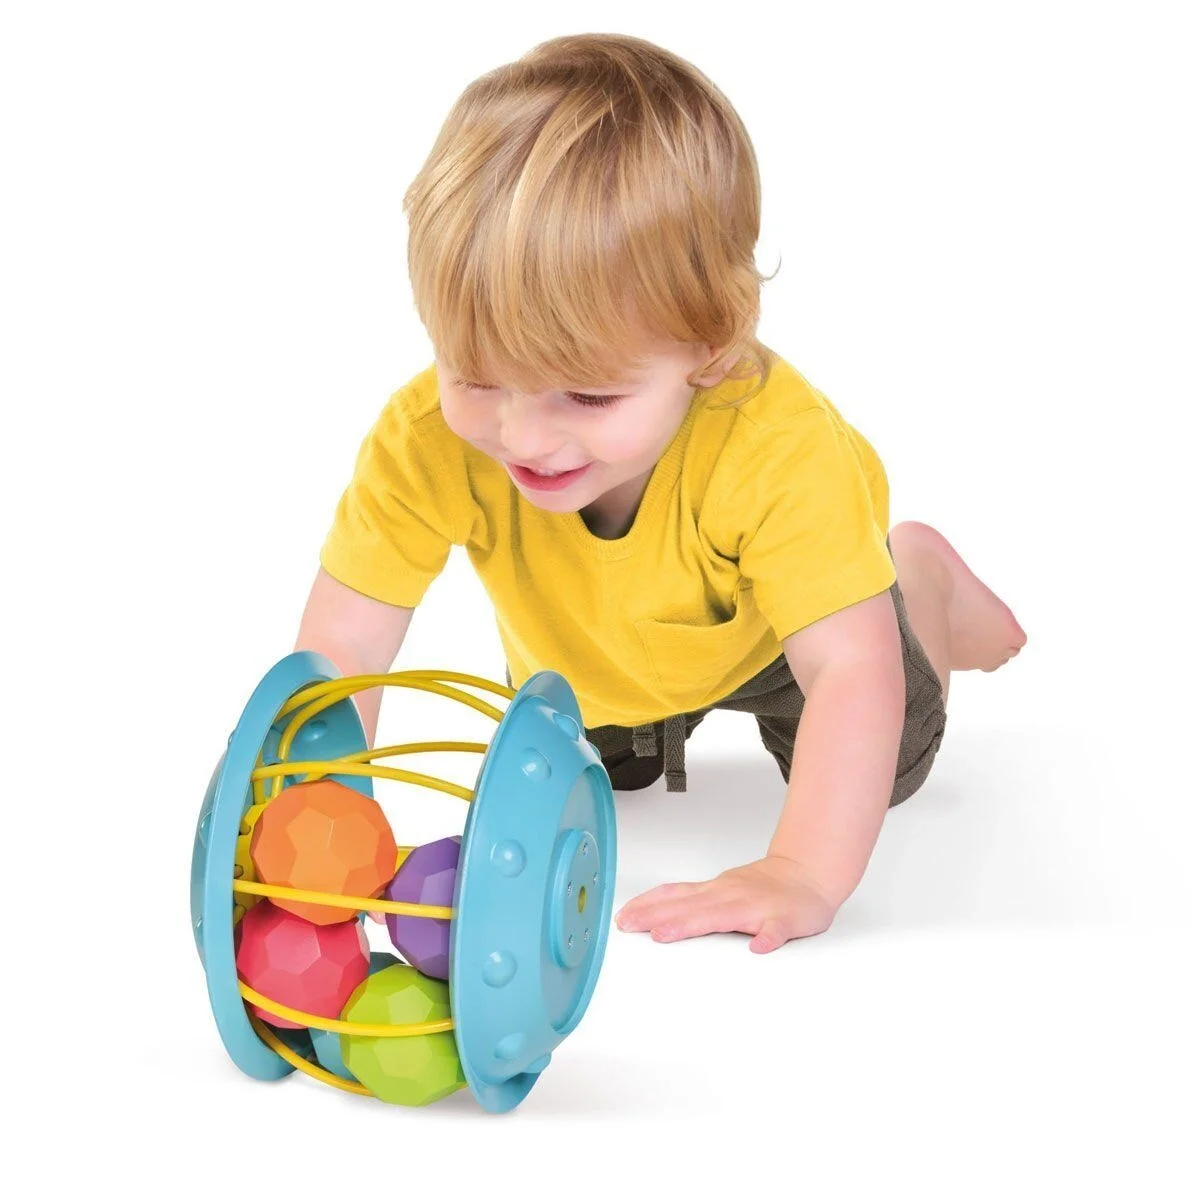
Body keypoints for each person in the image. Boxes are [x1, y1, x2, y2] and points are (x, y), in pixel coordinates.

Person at [295, 33, 1026, 954]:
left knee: (888, 767)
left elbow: (849, 670)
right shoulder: (425, 440)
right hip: (589, 664)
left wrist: (801, 870)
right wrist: (318, 825)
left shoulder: (777, 448)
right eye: (476, 376)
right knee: (596, 788)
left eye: (589, 396)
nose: (523, 435)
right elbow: (347, 642)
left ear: (712, 347)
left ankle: (917, 578)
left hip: (772, 639)